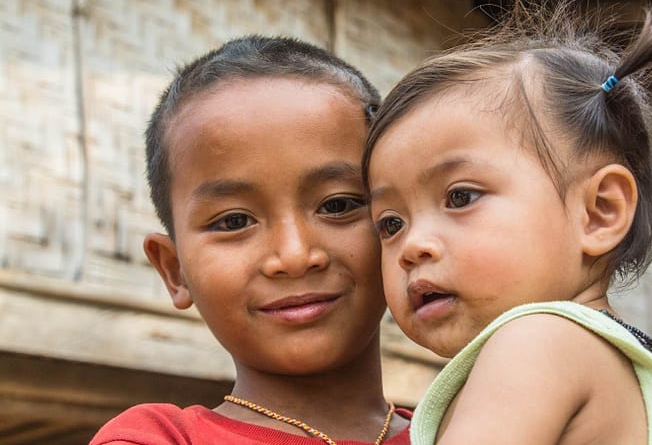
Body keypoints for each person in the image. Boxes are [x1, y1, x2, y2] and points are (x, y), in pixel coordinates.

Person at [362, 0, 652, 444]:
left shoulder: (537, 342)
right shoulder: (605, 359)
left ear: (599, 212)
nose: (413, 246)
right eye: (391, 224)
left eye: (460, 197)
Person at [90, 35, 411, 444]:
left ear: (396, 224)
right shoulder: (158, 438)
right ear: (174, 271)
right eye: (234, 221)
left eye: (337, 205)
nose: (295, 256)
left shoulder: (473, 428)